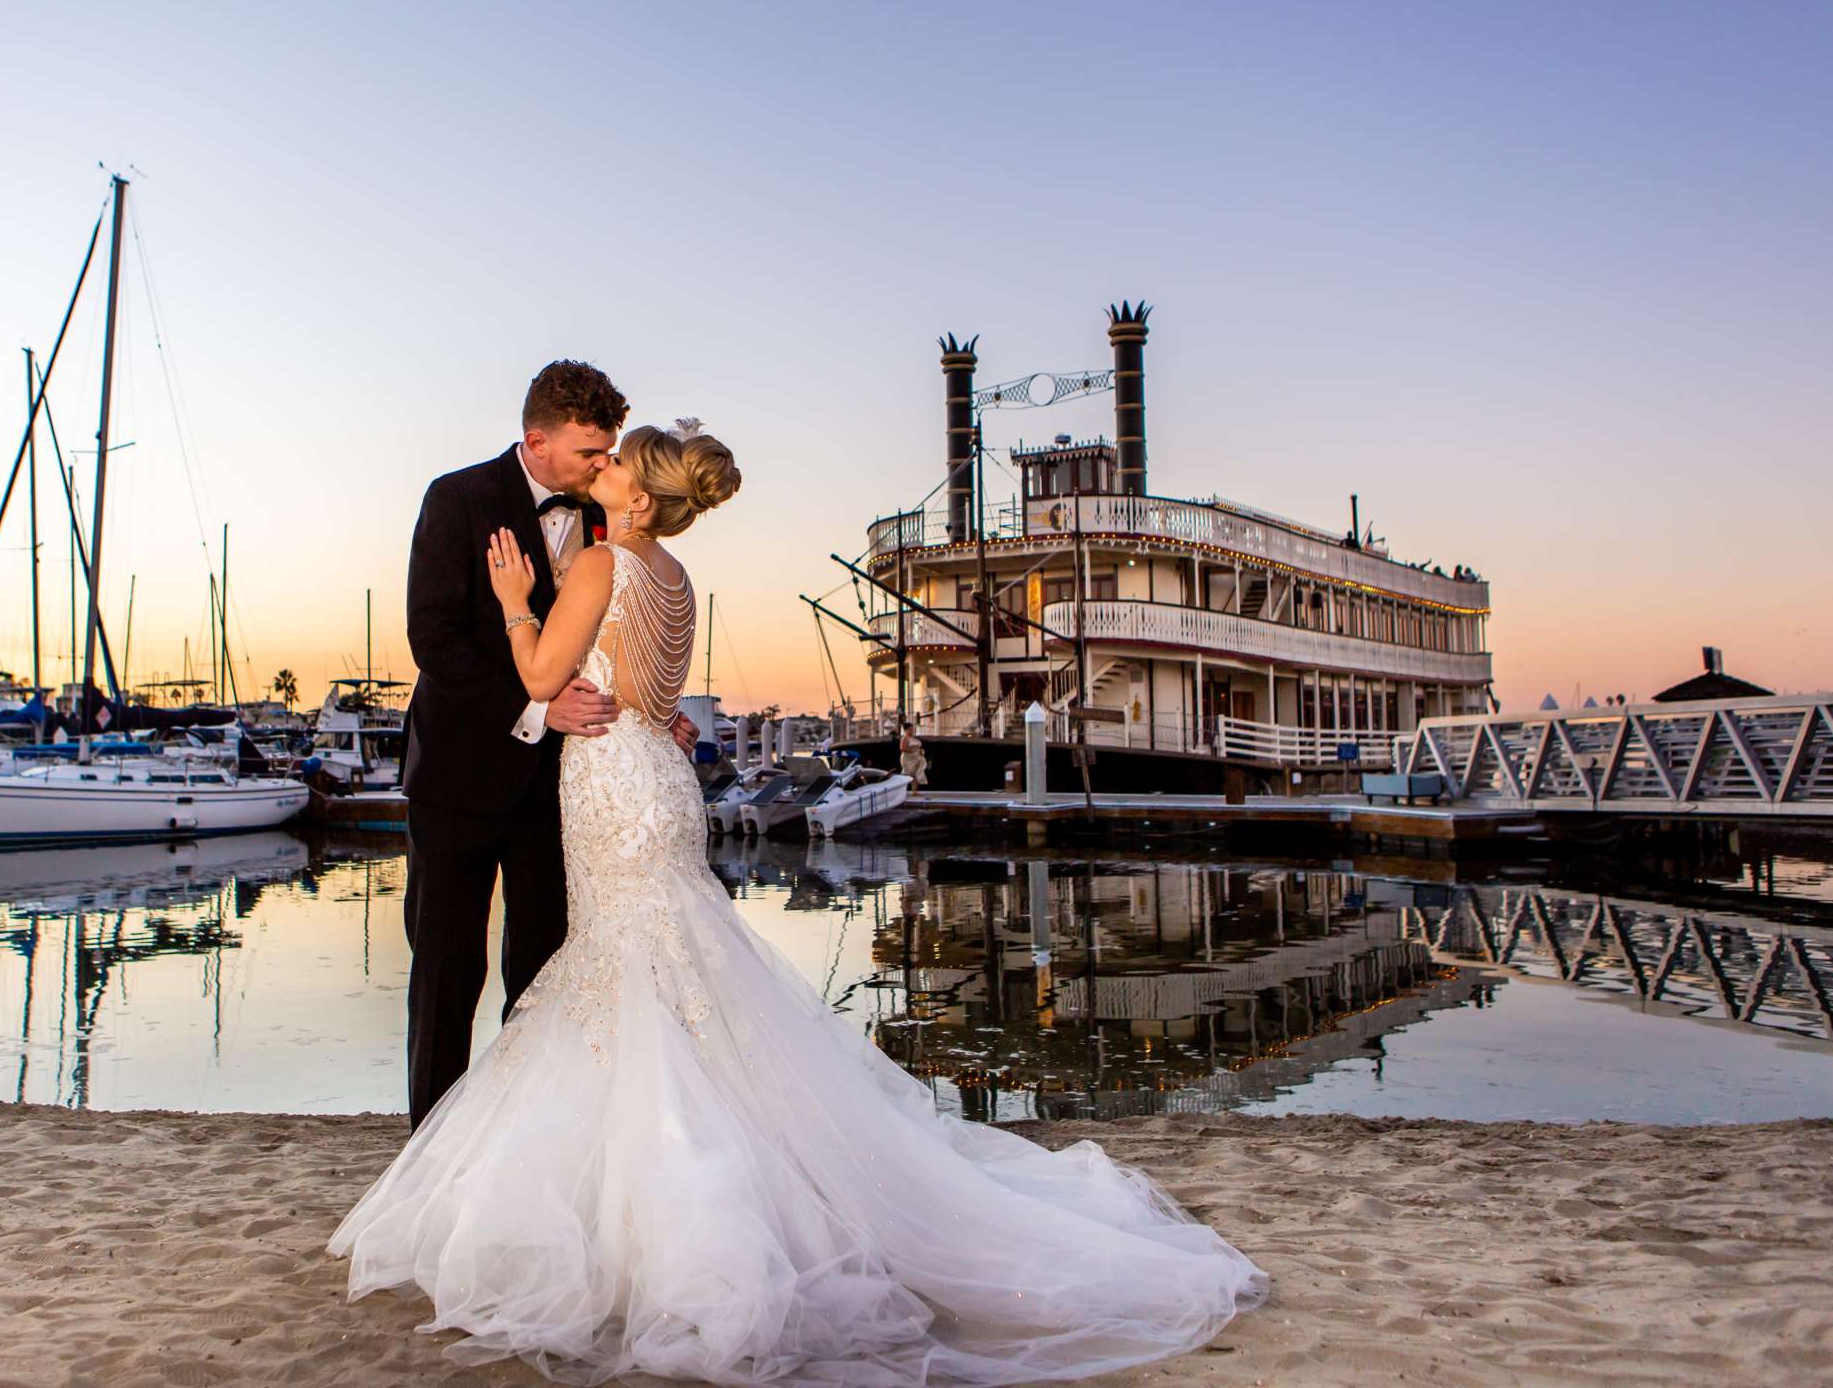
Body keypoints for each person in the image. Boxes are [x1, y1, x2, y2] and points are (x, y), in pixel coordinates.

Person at [330, 419, 1266, 1384]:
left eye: (615, 463)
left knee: (628, 976)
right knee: (663, 975)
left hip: (610, 787)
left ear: (640, 499)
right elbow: (652, 692)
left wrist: (516, 601)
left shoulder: (599, 568)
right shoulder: (675, 578)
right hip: (657, 778)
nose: (600, 468)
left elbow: (537, 678)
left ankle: (657, 1208)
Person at [392, 360, 696, 1128]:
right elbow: (435, 640)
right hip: (459, 775)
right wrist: (536, 707)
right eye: (590, 453)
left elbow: (619, 637)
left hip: (564, 788)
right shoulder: (457, 498)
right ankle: (430, 1142)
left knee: (545, 972)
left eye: (610, 452)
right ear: (538, 440)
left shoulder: (612, 519)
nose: (603, 466)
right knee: (447, 974)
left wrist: (655, 710)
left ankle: (519, 1140)